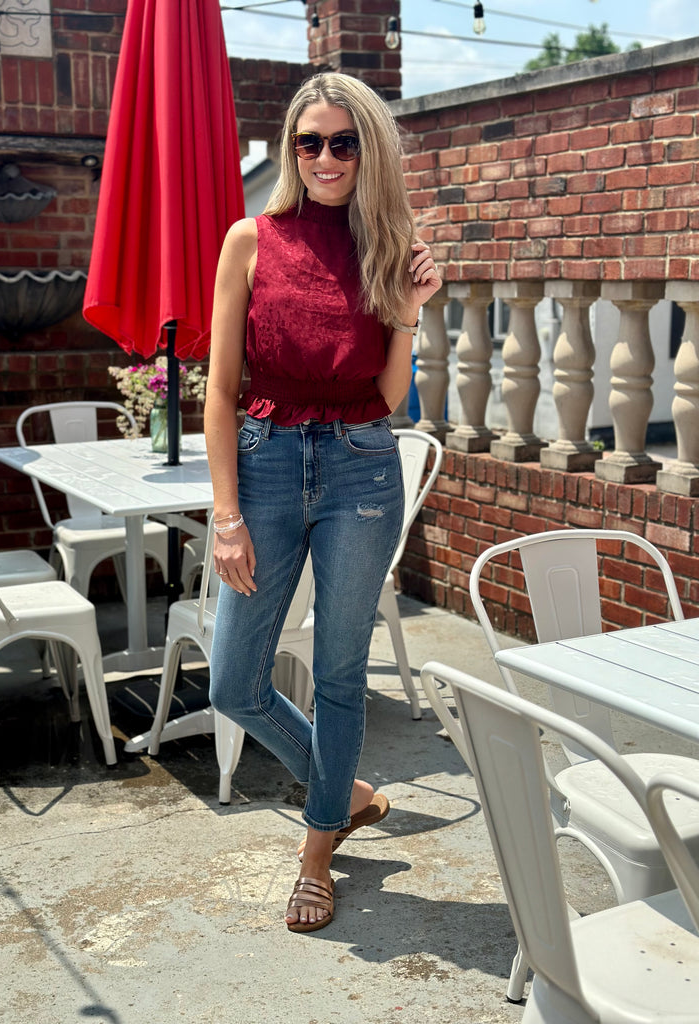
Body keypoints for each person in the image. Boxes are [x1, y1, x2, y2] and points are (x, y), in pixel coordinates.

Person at [204, 72, 442, 933]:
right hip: (264, 464)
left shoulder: (392, 245)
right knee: (233, 683)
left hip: (360, 468)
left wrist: (410, 312)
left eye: (344, 142)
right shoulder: (250, 240)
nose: (326, 158)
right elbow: (219, 390)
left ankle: (316, 854)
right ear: (291, 149)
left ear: (367, 150)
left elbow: (389, 398)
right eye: (310, 142)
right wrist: (226, 516)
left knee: (340, 674)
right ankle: (345, 791)